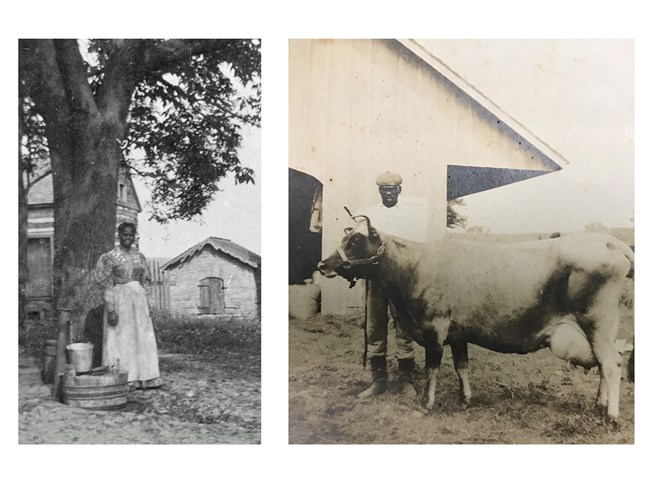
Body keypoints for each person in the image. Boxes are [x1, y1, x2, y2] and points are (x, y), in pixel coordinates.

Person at [357, 171, 427, 399]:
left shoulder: (411, 215)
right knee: (374, 327)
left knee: (405, 328)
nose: (387, 194)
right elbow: (357, 244)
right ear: (379, 191)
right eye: (383, 190)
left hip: (401, 282)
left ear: (399, 190)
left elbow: (416, 247)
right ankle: (378, 381)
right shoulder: (367, 216)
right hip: (376, 281)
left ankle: (406, 381)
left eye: (391, 190)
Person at [95, 222, 162, 390]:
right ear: (119, 235)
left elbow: (146, 281)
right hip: (120, 300)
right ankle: (126, 378)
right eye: (125, 235)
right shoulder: (109, 257)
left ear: (134, 236)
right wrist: (111, 309)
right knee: (122, 338)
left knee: (141, 337)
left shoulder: (140, 257)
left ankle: (145, 376)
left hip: (138, 302)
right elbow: (106, 284)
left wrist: (149, 303)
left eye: (131, 235)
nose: (128, 238)